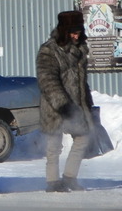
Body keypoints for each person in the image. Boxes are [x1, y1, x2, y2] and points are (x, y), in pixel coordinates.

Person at [35, 10, 95, 192]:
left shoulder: (80, 49)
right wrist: (62, 105)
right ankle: (52, 183)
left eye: (78, 32)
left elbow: (81, 81)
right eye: (72, 32)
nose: (76, 36)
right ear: (63, 31)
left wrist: (88, 102)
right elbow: (47, 80)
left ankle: (69, 178)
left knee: (83, 138)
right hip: (55, 107)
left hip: (77, 105)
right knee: (54, 147)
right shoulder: (48, 50)